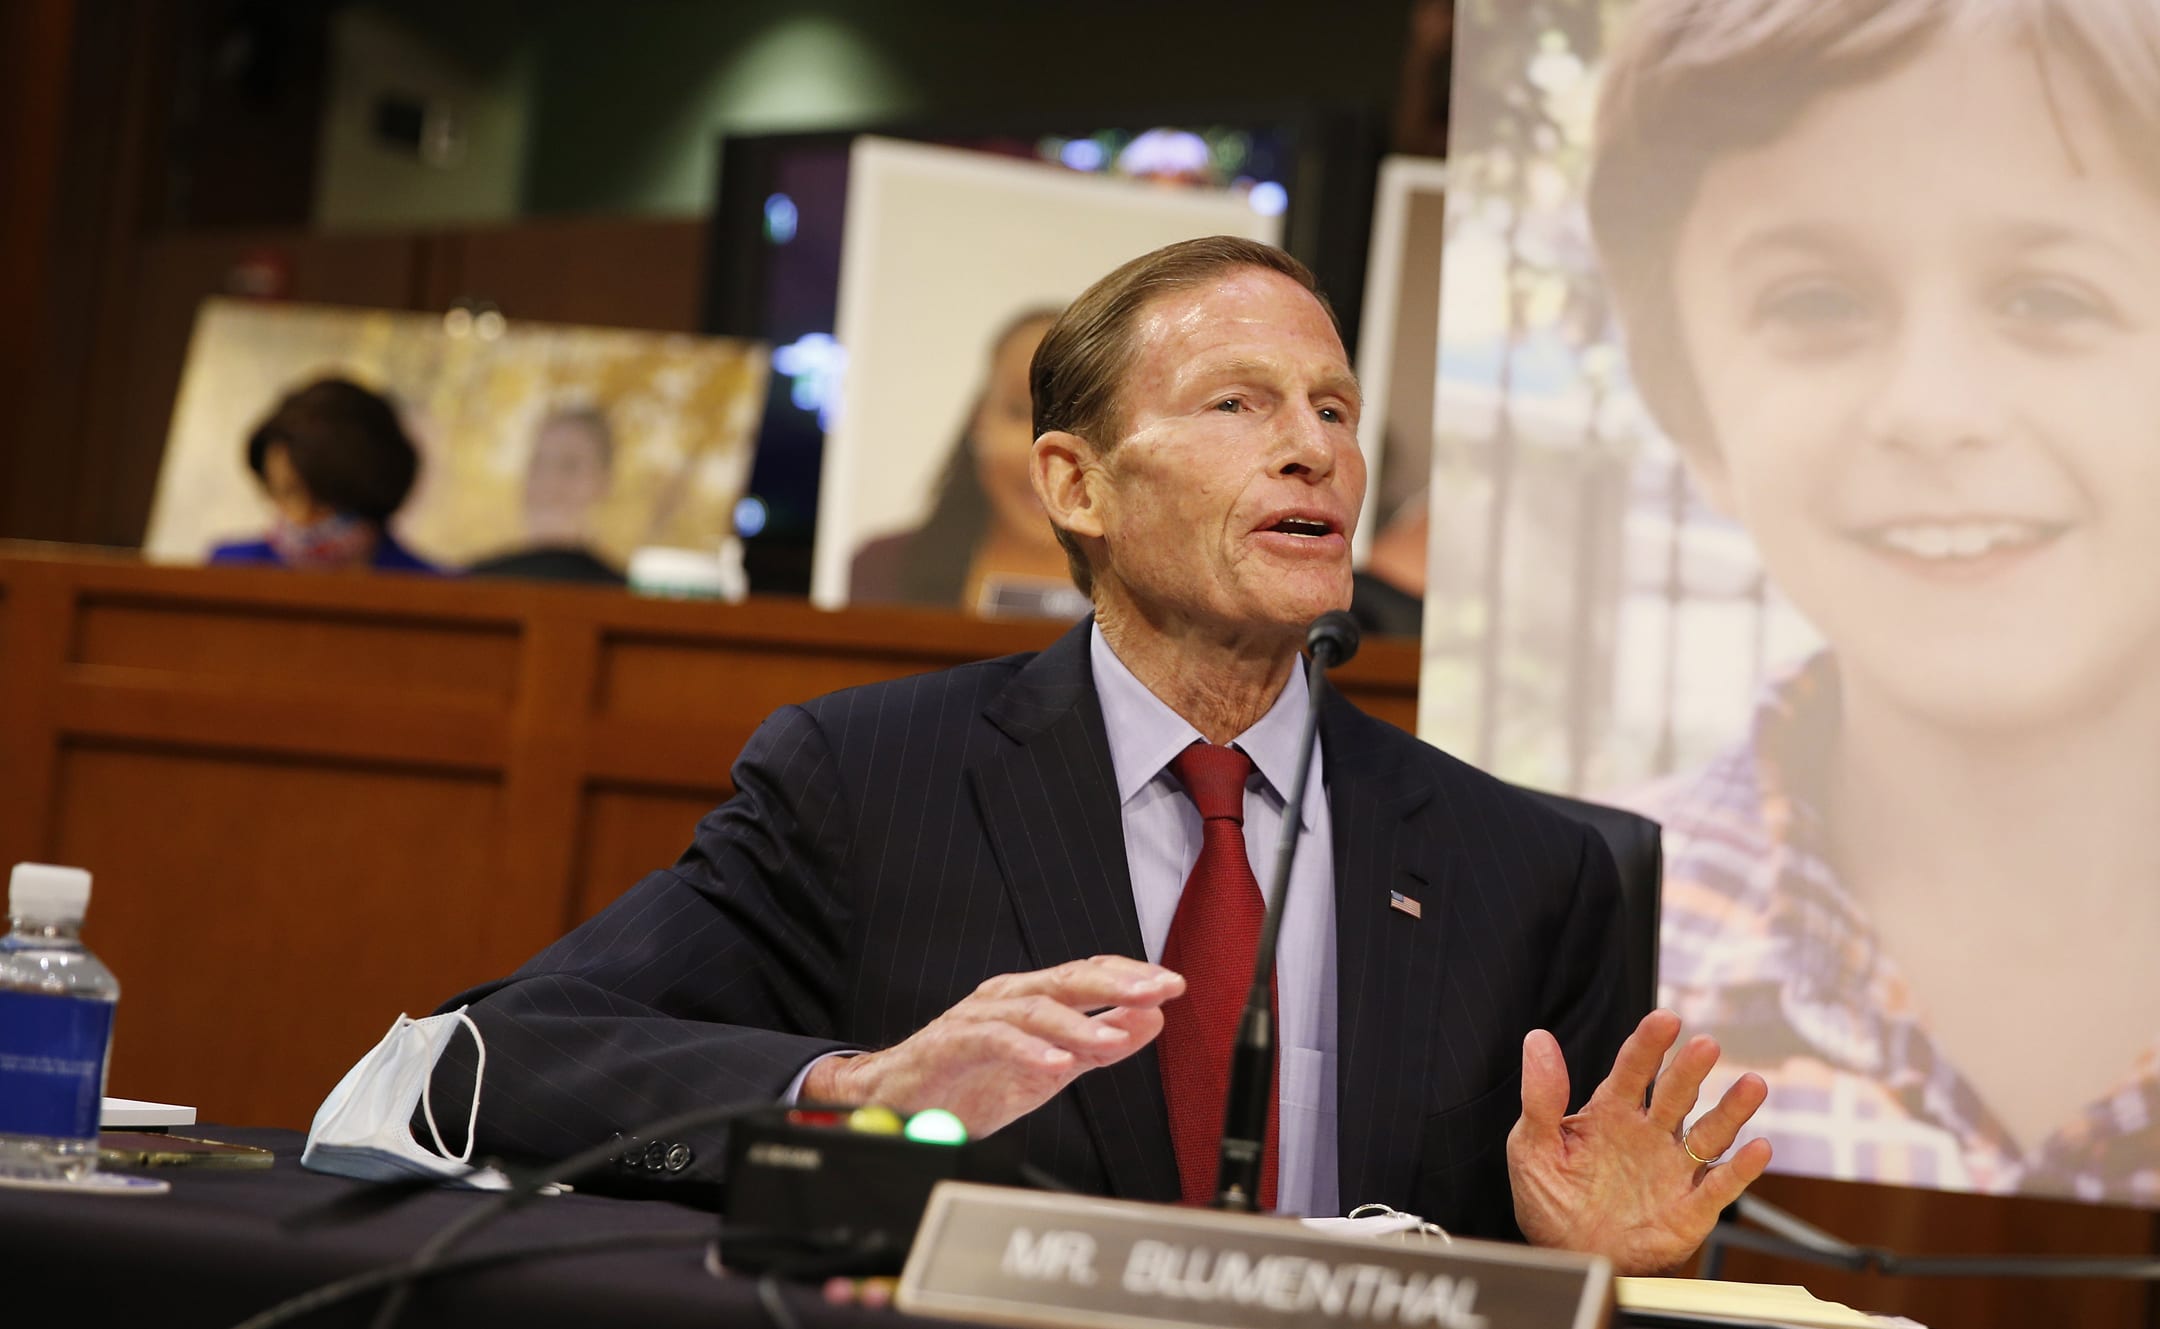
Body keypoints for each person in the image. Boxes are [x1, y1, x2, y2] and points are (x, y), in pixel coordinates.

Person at [420, 237, 1767, 1269]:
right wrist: (854, 1092)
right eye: (1240, 404)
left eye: (1336, 412)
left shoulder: (1530, 867)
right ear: (1077, 485)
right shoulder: (865, 780)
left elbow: (1569, 1257)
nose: (1313, 449)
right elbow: (512, 1056)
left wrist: (1593, 1269)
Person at [1587, 0, 2160, 1203]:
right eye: (1816, 303)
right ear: (1699, 423)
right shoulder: (1567, 941)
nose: (1932, 408)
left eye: (2050, 298)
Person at [848, 310, 1087, 619]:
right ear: (978, 422)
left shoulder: (1158, 586)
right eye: (1017, 411)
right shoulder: (884, 568)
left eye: (1078, 417)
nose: (1044, 449)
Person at [209, 377, 440, 574]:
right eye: (285, 493)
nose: (301, 515)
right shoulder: (230, 569)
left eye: (322, 499)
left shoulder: (436, 591)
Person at [468, 407, 625, 585]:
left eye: (569, 466)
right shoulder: (476, 584)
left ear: (604, 482)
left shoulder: (625, 598)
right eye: (538, 463)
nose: (548, 482)